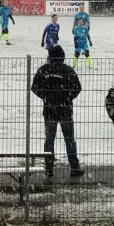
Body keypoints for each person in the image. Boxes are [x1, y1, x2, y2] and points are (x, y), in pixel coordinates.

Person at [31, 45, 84, 179]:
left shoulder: (44, 69)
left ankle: (49, 168)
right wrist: (67, 97)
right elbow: (77, 88)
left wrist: (46, 96)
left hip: (49, 110)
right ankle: (74, 167)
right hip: (65, 110)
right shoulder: (68, 70)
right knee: (69, 139)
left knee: (49, 140)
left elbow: (34, 87)